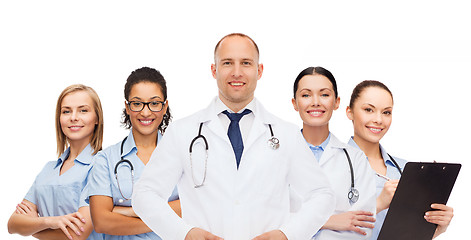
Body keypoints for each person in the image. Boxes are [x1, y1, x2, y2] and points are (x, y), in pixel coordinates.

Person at [132, 33, 335, 240]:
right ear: (214, 70)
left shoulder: (286, 134)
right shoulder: (182, 132)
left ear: (259, 70)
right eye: (227, 63)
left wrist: (286, 235)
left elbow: (322, 195)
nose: (237, 72)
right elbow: (144, 195)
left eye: (246, 63)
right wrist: (184, 234)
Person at [346, 80, 454, 239]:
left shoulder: (405, 170)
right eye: (369, 110)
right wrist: (378, 204)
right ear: (349, 112)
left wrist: (435, 228)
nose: (379, 120)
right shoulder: (328, 164)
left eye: (386, 112)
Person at [86, 67, 180, 240]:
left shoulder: (182, 154)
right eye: (137, 103)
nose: (145, 112)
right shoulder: (105, 160)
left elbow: (194, 205)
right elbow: (101, 222)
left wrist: (130, 211)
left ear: (165, 106)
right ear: (127, 107)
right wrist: (163, 216)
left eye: (154, 103)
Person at [7, 84, 104, 240]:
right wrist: (50, 221)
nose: (73, 117)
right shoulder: (48, 169)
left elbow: (77, 233)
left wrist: (33, 228)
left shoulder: (101, 166)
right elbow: (12, 224)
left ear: (97, 118)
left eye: (83, 110)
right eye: (66, 111)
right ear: (59, 119)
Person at [291, 67, 376, 239]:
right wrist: (330, 221)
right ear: (295, 103)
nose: (315, 102)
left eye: (324, 94)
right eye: (306, 95)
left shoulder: (356, 160)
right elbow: (264, 219)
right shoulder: (274, 155)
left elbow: (363, 227)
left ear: (336, 102)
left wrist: (298, 222)